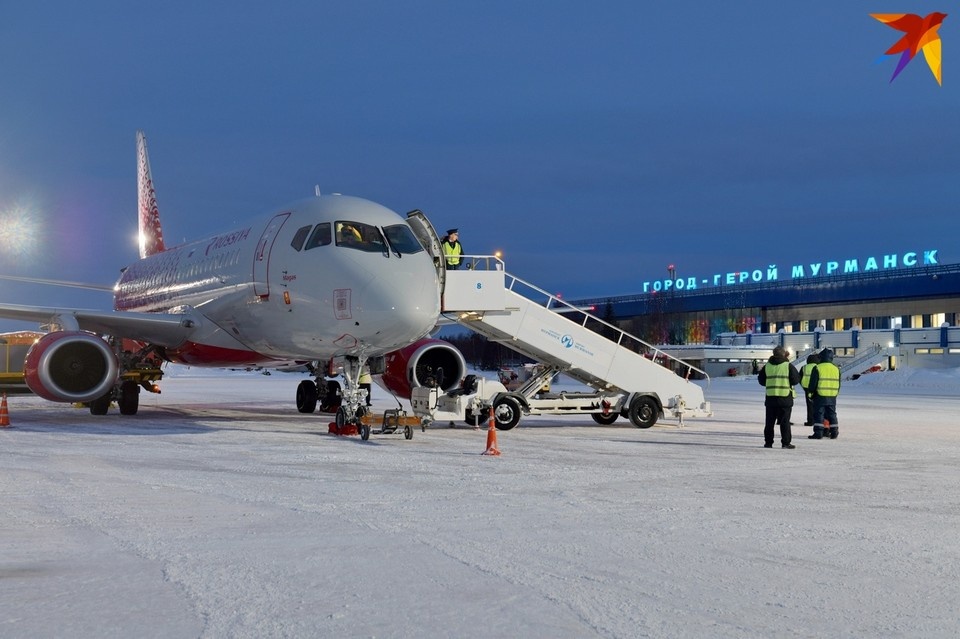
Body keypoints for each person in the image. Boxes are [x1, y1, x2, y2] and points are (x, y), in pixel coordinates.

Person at [758, 345, 801, 449]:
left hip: (771, 398)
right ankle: (785, 443)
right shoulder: (788, 366)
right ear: (783, 354)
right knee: (785, 422)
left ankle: (768, 443)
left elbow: (761, 381)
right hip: (785, 398)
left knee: (769, 422)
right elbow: (796, 380)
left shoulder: (767, 366)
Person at [808, 348, 841, 439]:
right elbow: (839, 383)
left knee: (819, 414)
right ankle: (834, 432)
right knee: (832, 414)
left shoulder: (817, 367)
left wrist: (810, 393)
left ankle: (818, 433)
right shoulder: (836, 369)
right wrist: (835, 393)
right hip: (832, 395)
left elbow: (813, 383)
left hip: (820, 395)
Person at [799, 352, 820, 426]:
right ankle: (818, 421)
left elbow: (799, 378)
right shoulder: (818, 366)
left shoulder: (804, 367)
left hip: (807, 388)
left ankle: (810, 421)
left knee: (810, 406)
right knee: (818, 406)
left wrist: (803, 386)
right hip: (817, 388)